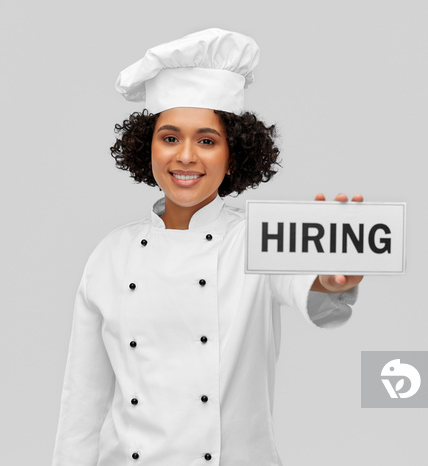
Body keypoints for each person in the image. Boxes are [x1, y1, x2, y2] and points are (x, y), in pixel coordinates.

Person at [51, 28, 363, 466]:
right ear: (148, 147)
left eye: (207, 141)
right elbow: (81, 405)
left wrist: (335, 281)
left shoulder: (258, 239)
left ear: (233, 154)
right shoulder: (110, 256)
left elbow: (316, 296)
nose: (186, 157)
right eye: (171, 137)